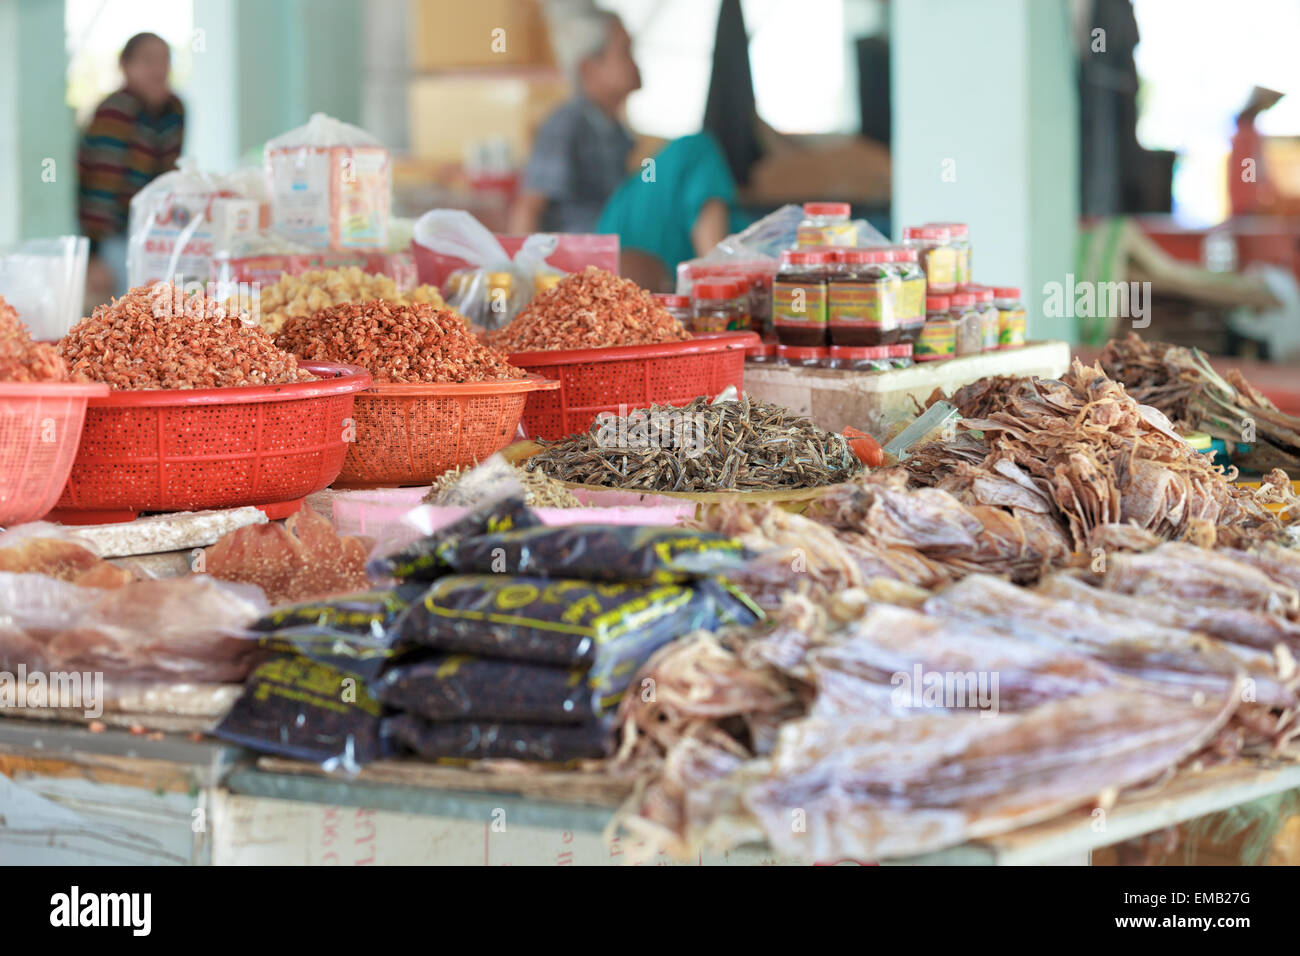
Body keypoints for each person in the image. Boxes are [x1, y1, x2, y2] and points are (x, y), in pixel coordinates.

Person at [513, 7, 740, 288]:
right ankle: (718, 287)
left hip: (614, 230)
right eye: (625, 51)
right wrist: (527, 284)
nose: (635, 61)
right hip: (592, 242)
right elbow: (528, 208)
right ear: (589, 68)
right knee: (694, 150)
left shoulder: (614, 130)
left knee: (727, 219)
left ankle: (716, 282)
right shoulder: (566, 122)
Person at [78, 32, 184, 298]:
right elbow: (100, 188)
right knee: (124, 314)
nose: (158, 69)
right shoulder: (115, 111)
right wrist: (94, 255)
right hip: (115, 237)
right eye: (148, 60)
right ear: (125, 66)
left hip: (158, 236)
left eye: (164, 60)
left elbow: (169, 177)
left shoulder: (174, 110)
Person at [1228, 86, 1285, 217]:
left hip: (1246, 203)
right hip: (1245, 206)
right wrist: (1252, 196)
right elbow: (1250, 170)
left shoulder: (1247, 134)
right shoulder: (1245, 136)